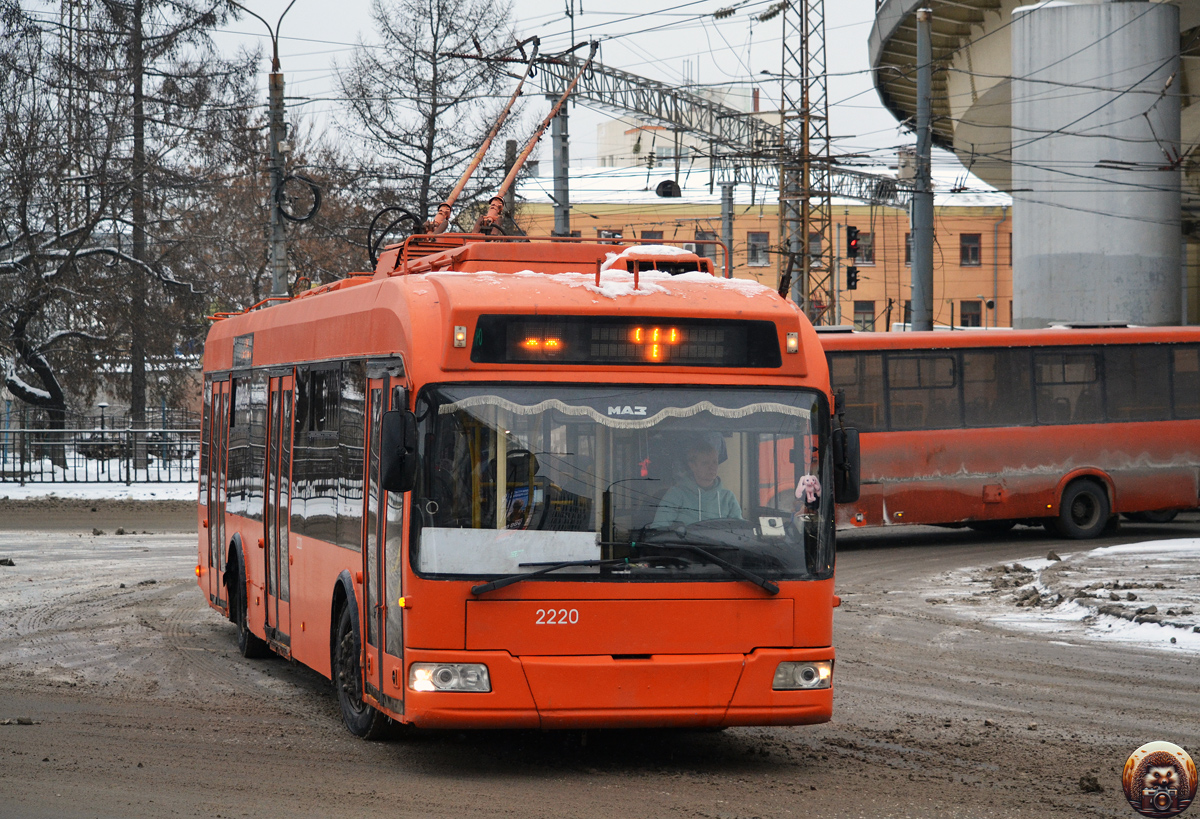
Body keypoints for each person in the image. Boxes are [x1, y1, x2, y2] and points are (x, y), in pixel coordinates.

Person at [651, 438, 742, 527]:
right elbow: (659, 528)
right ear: (692, 466)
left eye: (715, 462)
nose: (712, 467)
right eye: (705, 463)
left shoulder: (728, 497)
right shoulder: (676, 495)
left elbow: (740, 531)